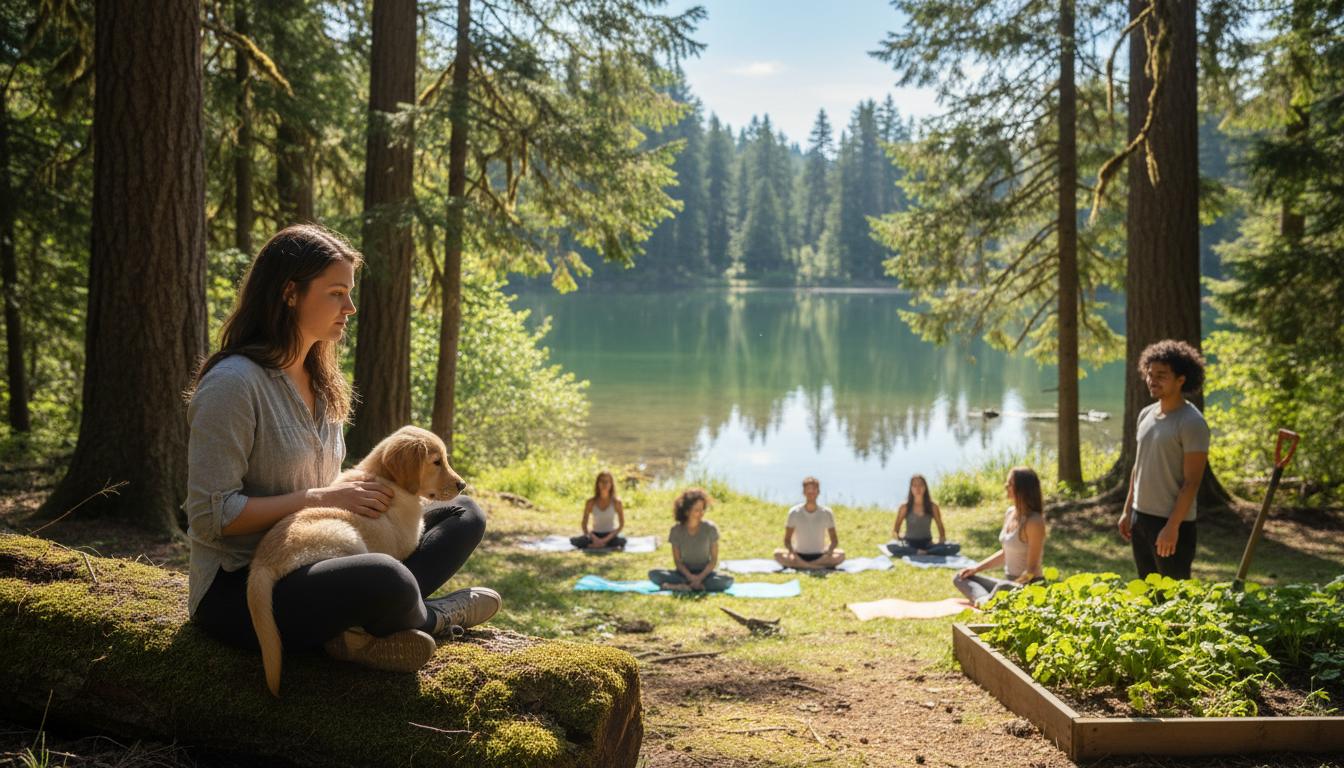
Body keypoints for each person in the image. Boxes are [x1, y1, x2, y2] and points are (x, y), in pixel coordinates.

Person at [185, 224, 500, 674]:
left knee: (463, 514)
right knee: (382, 576)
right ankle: (431, 617)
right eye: (336, 293)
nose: (350, 307)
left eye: (349, 293)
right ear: (290, 293)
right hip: (245, 588)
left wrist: (362, 495)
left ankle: (364, 628)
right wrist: (323, 498)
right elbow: (210, 516)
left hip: (327, 553)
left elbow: (328, 491)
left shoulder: (324, 383)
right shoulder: (233, 386)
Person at [1117, 339, 1210, 579]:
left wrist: (1172, 527)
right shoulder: (1146, 414)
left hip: (1171, 522)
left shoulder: (1191, 423)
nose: (1152, 380)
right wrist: (1128, 511)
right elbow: (1139, 466)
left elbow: (1192, 482)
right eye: (1150, 374)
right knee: (1148, 593)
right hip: (1140, 517)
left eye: (1161, 375)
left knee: (1174, 600)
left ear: (1181, 379)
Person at [953, 467, 1047, 606]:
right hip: (1008, 582)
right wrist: (976, 569)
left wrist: (1010, 588)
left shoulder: (1034, 521)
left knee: (1002, 588)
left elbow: (1032, 570)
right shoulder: (1010, 513)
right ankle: (986, 601)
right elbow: (1005, 553)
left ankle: (987, 601)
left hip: (1029, 585)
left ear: (1023, 489)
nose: (1006, 486)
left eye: (1010, 484)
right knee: (960, 578)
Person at [648, 487, 734, 592]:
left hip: (706, 574)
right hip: (683, 574)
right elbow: (678, 561)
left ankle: (685, 587)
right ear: (687, 511)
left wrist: (700, 578)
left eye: (703, 509)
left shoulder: (710, 528)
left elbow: (713, 560)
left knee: (727, 580)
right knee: (654, 574)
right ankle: (695, 586)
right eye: (697, 510)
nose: (701, 513)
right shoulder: (676, 531)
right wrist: (690, 577)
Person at [773, 476, 845, 569]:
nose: (811, 493)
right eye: (808, 490)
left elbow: (834, 540)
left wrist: (830, 551)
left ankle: (805, 566)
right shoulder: (794, 512)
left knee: (841, 554)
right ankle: (815, 566)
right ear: (804, 492)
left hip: (820, 555)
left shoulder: (826, 512)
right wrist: (792, 552)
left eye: (813, 490)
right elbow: (787, 540)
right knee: (777, 554)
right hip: (799, 555)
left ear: (818, 492)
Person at [884, 474, 961, 557]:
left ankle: (925, 552)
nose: (918, 488)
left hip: (927, 544)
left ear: (925, 487)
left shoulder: (932, 506)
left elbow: (940, 525)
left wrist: (941, 539)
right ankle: (919, 552)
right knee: (891, 546)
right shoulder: (904, 507)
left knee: (955, 546)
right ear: (911, 488)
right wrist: (898, 538)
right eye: (914, 485)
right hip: (909, 544)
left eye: (921, 485)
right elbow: (896, 529)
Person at [570, 471, 627, 549]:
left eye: (607, 481)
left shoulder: (617, 502)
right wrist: (594, 538)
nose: (604, 484)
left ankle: (597, 545)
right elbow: (584, 524)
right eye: (602, 481)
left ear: (611, 484)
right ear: (598, 483)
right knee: (575, 541)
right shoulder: (590, 502)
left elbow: (621, 525)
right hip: (595, 534)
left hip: (610, 535)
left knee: (622, 541)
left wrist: (605, 540)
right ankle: (598, 545)